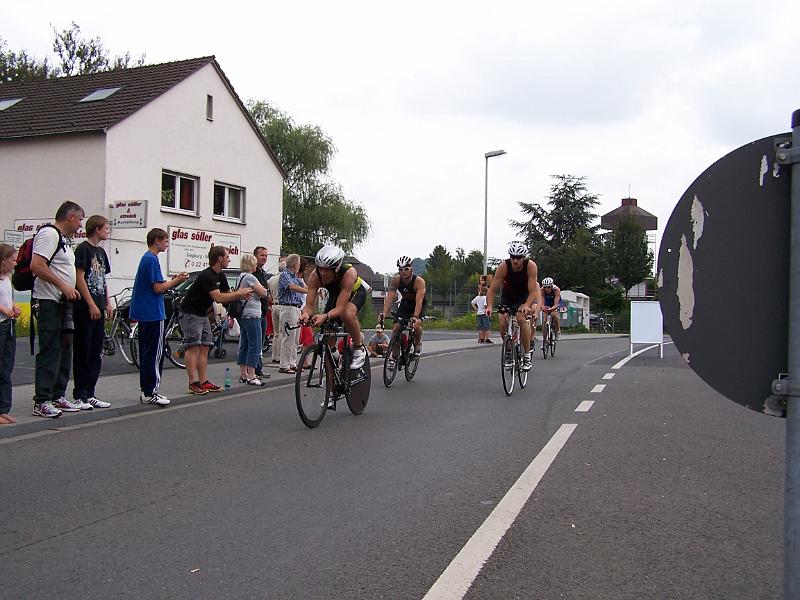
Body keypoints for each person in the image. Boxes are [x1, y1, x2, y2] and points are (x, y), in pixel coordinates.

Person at [30, 201, 84, 418]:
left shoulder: (64, 240)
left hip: (63, 303)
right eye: (80, 219)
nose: (80, 225)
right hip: (48, 301)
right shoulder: (49, 234)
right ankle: (42, 400)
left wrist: (70, 287)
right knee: (50, 350)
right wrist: (63, 285)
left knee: (64, 349)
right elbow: (37, 265)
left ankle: (57, 395)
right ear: (70, 217)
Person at [178, 245, 252, 394]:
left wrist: (239, 297)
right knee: (193, 346)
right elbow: (218, 297)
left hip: (203, 314)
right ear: (219, 258)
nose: (229, 260)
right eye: (227, 257)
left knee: (205, 346)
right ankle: (193, 383)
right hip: (190, 313)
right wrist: (238, 294)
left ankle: (203, 381)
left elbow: (227, 294)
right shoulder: (207, 276)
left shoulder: (221, 275)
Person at [130, 228, 188, 406]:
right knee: (155, 353)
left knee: (147, 352)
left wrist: (171, 280)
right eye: (165, 241)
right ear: (156, 240)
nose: (167, 244)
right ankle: (151, 391)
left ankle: (147, 390)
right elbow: (158, 288)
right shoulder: (151, 259)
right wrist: (177, 281)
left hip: (145, 312)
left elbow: (156, 284)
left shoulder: (146, 258)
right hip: (153, 312)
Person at [299, 245, 369, 370]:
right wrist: (305, 314)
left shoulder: (349, 273)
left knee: (346, 314)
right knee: (327, 335)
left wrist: (325, 316)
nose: (323, 273)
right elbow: (309, 305)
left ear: (336, 268)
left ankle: (359, 348)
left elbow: (340, 308)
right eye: (321, 269)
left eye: (327, 270)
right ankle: (335, 358)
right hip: (335, 294)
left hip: (355, 293)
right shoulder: (315, 276)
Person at [72, 215, 113, 409]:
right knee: (84, 350)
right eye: (106, 228)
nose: (108, 231)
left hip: (99, 306)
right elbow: (79, 277)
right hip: (85, 308)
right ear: (96, 229)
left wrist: (107, 302)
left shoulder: (101, 252)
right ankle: (80, 394)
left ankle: (91, 392)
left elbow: (103, 279)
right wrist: (90, 303)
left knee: (96, 351)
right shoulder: (83, 249)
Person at [485, 241, 540, 371]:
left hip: (524, 294)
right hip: (508, 294)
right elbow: (492, 290)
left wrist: (527, 305)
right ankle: (509, 351)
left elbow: (533, 292)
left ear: (524, 258)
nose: (515, 260)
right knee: (502, 321)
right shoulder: (504, 266)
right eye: (512, 257)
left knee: (521, 318)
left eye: (518, 258)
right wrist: (489, 306)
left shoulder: (531, 266)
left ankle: (527, 355)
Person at [378, 256, 427, 362]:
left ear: (411, 268)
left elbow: (419, 301)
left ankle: (417, 344)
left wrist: (415, 317)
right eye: (400, 269)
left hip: (418, 304)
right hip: (405, 303)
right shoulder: (396, 280)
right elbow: (389, 298)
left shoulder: (419, 281)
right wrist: (384, 313)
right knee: (396, 328)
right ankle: (394, 356)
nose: (403, 272)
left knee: (415, 325)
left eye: (406, 269)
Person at [235, 253, 270, 385]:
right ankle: (252, 374)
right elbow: (263, 292)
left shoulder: (241, 277)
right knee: (255, 344)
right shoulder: (250, 277)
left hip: (243, 314)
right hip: (252, 314)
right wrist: (263, 290)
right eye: (254, 263)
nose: (256, 265)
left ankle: (243, 374)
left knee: (244, 344)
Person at [276, 254, 308, 375]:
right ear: (295, 264)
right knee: (288, 337)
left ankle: (292, 362)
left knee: (295, 338)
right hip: (288, 307)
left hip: (296, 308)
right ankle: (284, 365)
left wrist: (314, 290)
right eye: (299, 263)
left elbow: (303, 285)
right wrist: (308, 291)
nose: (299, 265)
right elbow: (292, 287)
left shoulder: (295, 277)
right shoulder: (285, 274)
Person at [0, 244, 21, 424]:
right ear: (3, 260)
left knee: (6, 366)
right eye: (13, 260)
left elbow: (8, 298)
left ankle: (3, 408)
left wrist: (13, 307)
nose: (15, 263)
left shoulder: (7, 279)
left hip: (9, 325)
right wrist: (3, 309)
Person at [252, 246, 270, 377]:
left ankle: (258, 367)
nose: (264, 258)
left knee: (260, 342)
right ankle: (253, 368)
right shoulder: (253, 273)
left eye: (266, 256)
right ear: (255, 256)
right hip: (255, 312)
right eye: (262, 255)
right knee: (255, 342)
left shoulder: (262, 272)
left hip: (263, 312)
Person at [267, 260, 285, 363]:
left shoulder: (271, 279)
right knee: (282, 332)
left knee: (276, 333)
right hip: (283, 305)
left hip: (274, 305)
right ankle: (279, 356)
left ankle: (274, 355)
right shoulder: (284, 279)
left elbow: (267, 291)